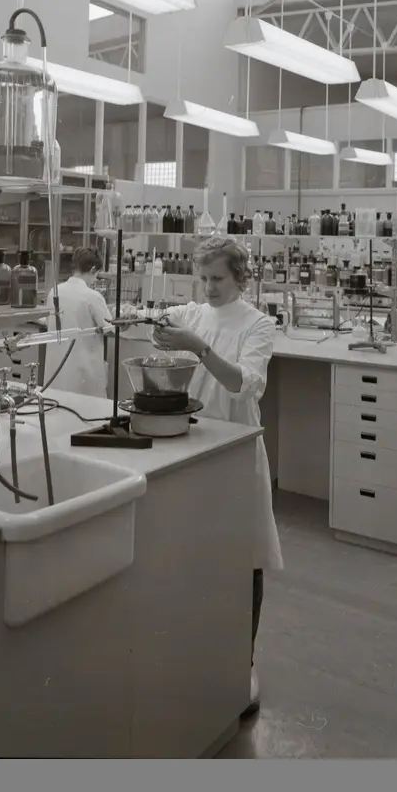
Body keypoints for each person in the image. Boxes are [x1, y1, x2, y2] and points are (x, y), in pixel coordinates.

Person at [151, 236, 281, 718]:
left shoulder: (258, 324)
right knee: (194, 555)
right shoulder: (193, 313)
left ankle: (243, 663)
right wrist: (161, 330)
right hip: (191, 450)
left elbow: (242, 383)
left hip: (238, 453)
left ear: (239, 277)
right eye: (204, 278)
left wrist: (197, 347)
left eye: (218, 279)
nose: (209, 287)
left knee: (245, 560)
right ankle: (201, 655)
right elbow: (162, 328)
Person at [41, 247, 113, 397]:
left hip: (57, 374)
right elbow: (111, 329)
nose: (96, 280)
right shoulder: (92, 296)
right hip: (83, 376)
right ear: (93, 269)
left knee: (59, 406)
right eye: (97, 275)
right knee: (86, 408)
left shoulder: (54, 292)